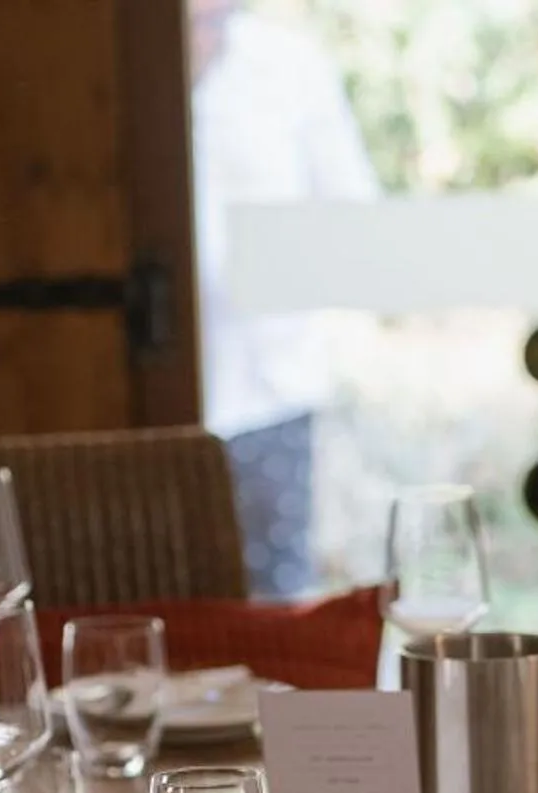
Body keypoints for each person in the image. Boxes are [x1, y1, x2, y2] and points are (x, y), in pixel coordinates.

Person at [189, 0, 379, 597]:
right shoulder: (112, 58)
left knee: (273, 605)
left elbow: (355, 225)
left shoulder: (289, 66)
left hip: (267, 393)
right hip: (139, 392)